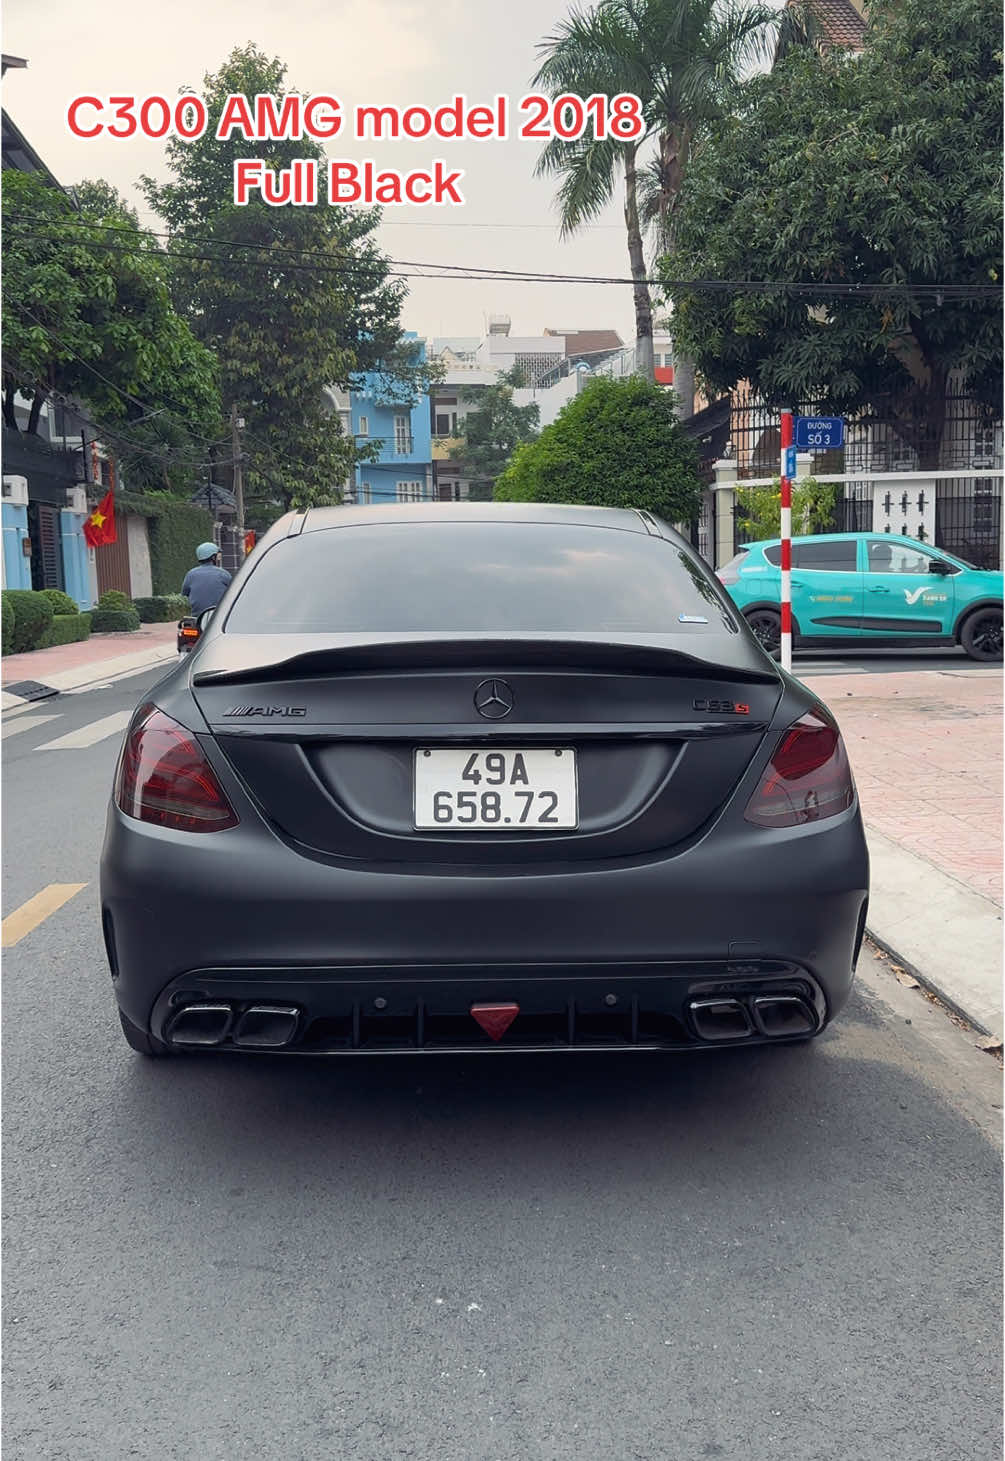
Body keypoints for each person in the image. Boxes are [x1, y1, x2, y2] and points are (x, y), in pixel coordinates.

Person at [181, 542, 232, 616]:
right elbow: (233, 592)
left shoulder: (190, 574)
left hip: (197, 616)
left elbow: (185, 593)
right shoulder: (223, 573)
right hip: (219, 615)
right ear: (213, 557)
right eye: (217, 555)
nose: (219, 557)